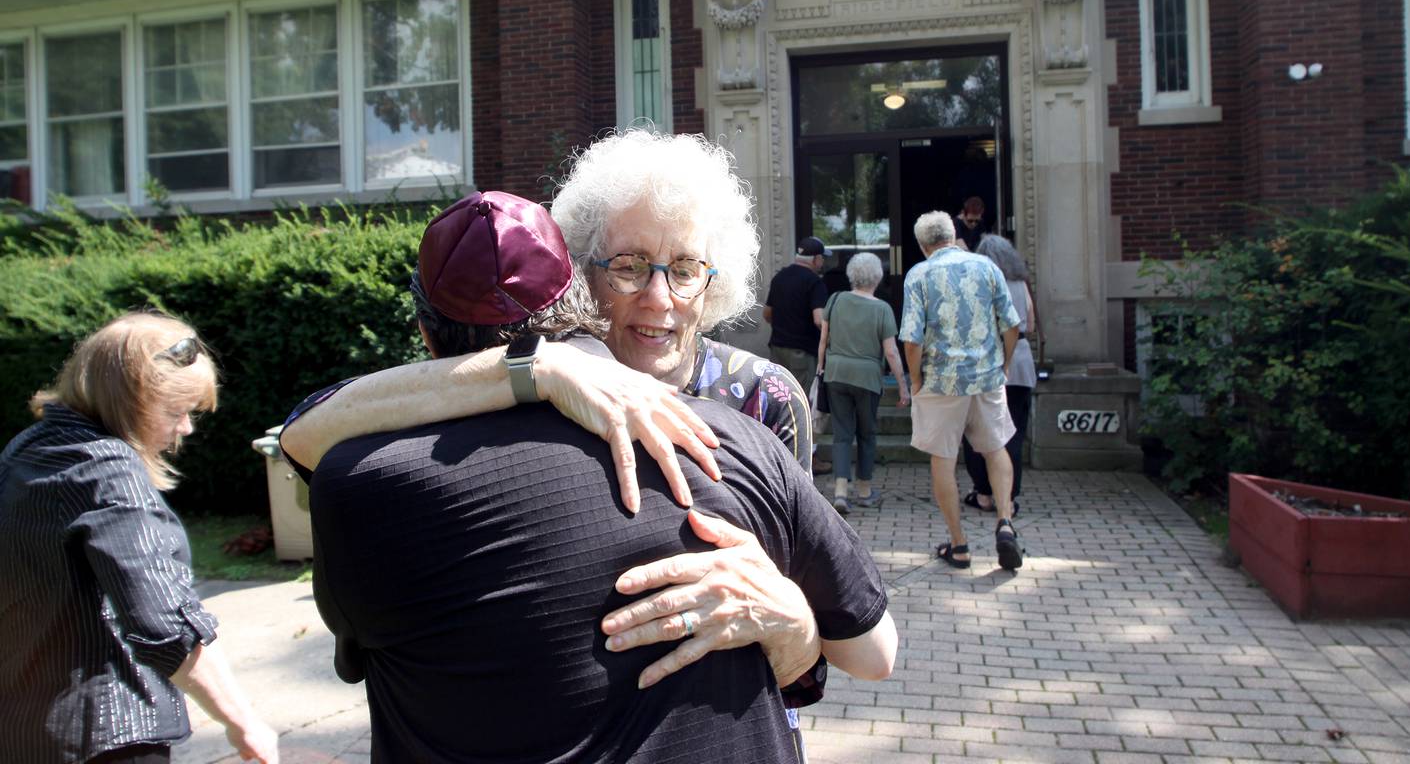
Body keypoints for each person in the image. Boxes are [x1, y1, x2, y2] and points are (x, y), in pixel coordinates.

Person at [301, 190, 896, 762]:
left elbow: (303, 435)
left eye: (685, 268)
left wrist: (792, 620)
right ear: (583, 290)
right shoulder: (738, 447)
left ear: (426, 332)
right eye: (631, 266)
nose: (660, 296)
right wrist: (534, 366)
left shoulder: (365, 485)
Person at [0, 312, 279, 764]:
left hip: (26, 729)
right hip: (108, 735)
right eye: (176, 411)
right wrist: (243, 721)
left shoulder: (26, 450)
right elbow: (165, 625)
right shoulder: (108, 472)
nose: (186, 427)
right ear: (132, 401)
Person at [900, 212, 1024, 571]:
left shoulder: (919, 274)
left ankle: (959, 544)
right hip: (986, 378)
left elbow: (912, 338)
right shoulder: (986, 267)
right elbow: (1012, 323)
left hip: (940, 381)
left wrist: (915, 380)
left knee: (943, 458)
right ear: (953, 236)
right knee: (995, 447)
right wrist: (1004, 364)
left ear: (922, 245)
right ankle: (1005, 522)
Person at [815, 252, 909, 515]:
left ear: (851, 275)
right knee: (866, 434)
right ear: (878, 278)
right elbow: (891, 352)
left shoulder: (835, 299)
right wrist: (903, 385)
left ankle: (841, 491)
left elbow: (824, 340)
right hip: (868, 377)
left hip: (836, 374)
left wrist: (822, 367)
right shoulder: (882, 309)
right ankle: (865, 490)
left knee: (842, 434)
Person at [963, 234, 1040, 517]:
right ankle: (1008, 498)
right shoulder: (1020, 285)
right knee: (1014, 434)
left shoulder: (979, 283)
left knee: (978, 433)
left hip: (986, 364)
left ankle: (983, 492)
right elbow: (1029, 325)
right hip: (1020, 362)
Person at [763, 236, 830, 403]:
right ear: (815, 259)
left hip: (777, 348)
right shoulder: (814, 282)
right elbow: (818, 319)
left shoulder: (780, 277)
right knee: (799, 400)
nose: (822, 262)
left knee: (778, 398)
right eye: (822, 258)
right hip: (802, 351)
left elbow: (767, 313)